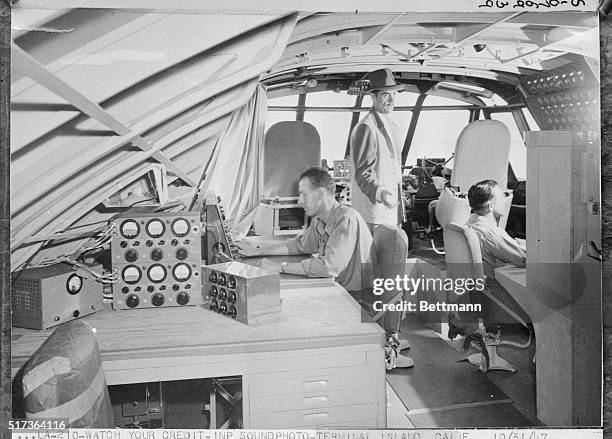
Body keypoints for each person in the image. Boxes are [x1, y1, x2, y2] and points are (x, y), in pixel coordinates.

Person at [237, 167, 413, 368]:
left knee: (292, 317)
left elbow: (328, 268)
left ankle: (382, 346)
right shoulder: (321, 220)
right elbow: (300, 245)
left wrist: (280, 267)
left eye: (303, 194)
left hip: (359, 299)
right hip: (343, 292)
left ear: (320, 194)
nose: (300, 201)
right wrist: (259, 250)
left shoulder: (346, 219)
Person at [349, 68, 405, 233]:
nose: (391, 100)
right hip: (373, 214)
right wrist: (380, 193)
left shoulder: (391, 125)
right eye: (385, 95)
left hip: (391, 211)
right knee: (373, 257)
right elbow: (363, 173)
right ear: (373, 97)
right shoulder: (366, 128)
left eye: (394, 94)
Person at [467, 179, 526, 281]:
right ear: (490, 205)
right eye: (502, 197)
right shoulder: (490, 233)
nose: (505, 201)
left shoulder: (470, 224)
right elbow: (523, 259)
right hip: (496, 287)